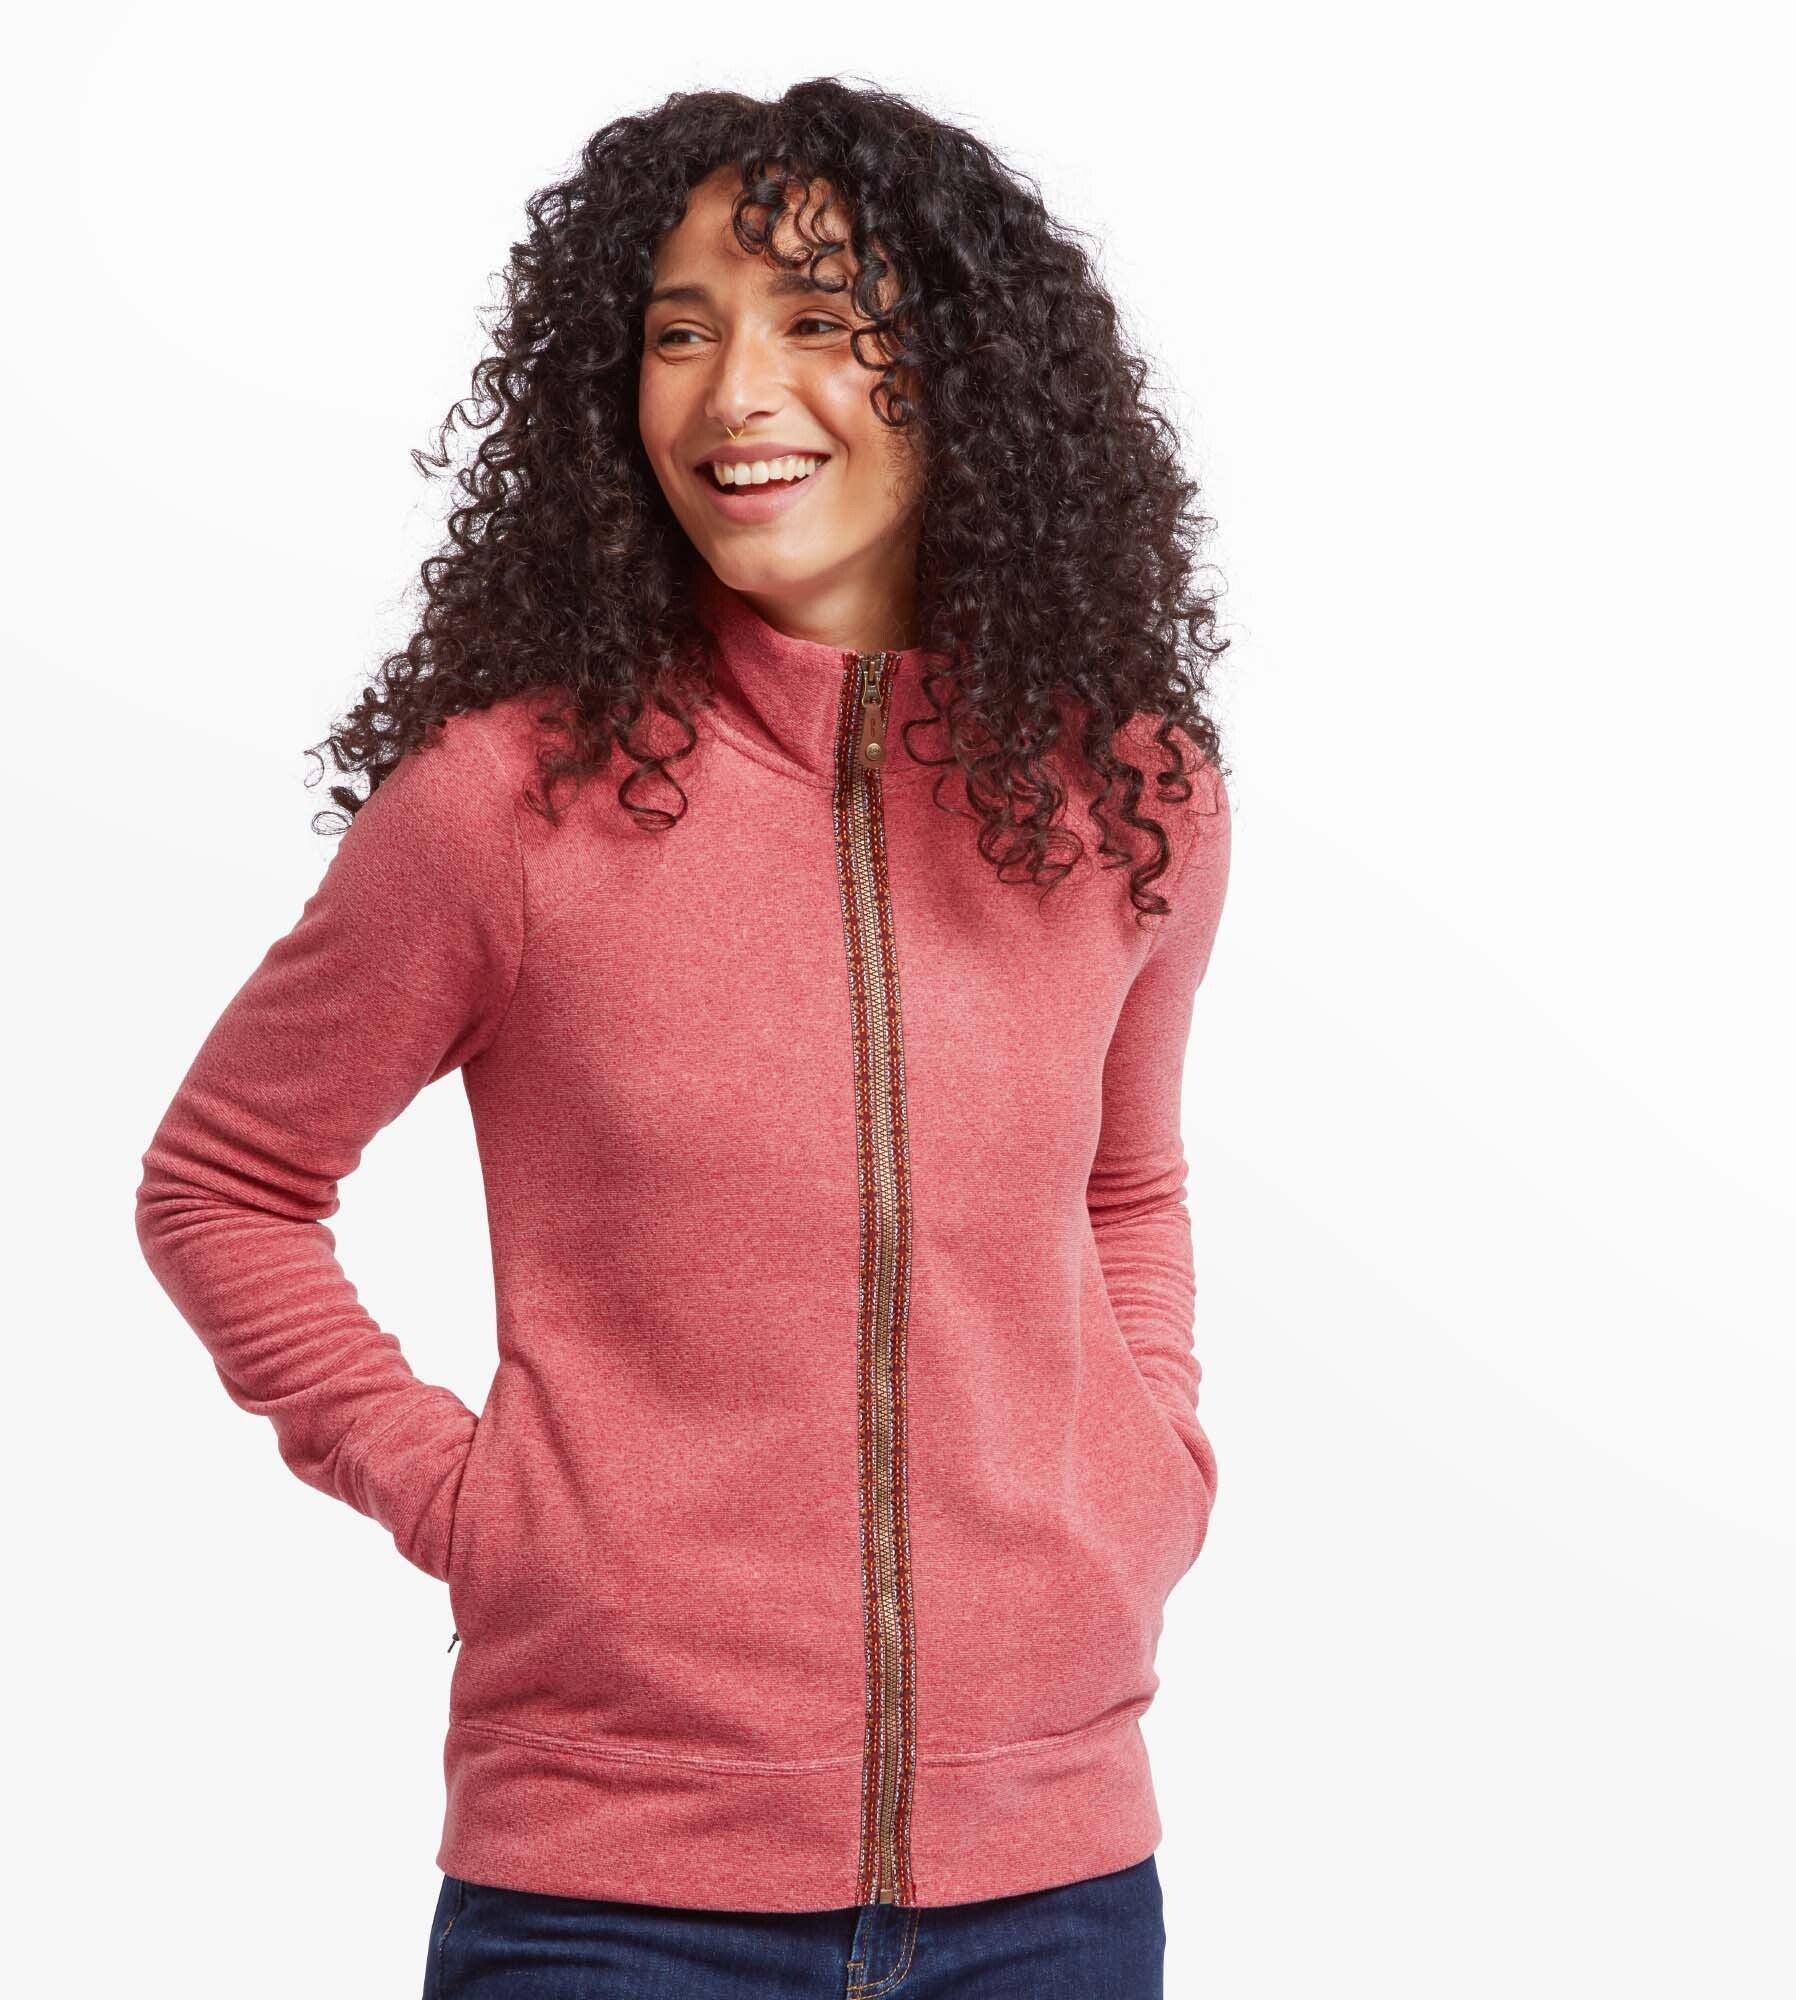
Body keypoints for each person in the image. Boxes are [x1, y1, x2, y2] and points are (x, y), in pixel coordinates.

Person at [135, 75, 1233, 1999]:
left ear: (966, 372)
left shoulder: (1129, 796)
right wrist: (478, 1508)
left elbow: (1124, 1183)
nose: (736, 393)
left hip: (1054, 1875)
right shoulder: (511, 804)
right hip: (612, 1897)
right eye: (678, 333)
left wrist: (1150, 1467)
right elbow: (225, 1184)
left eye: (818, 320)